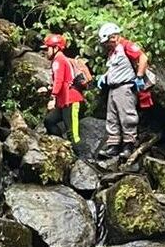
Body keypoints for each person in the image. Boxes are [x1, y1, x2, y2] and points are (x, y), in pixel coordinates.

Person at [95, 23, 150, 160]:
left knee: (127, 117)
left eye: (108, 41)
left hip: (125, 87)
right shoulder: (113, 52)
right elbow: (114, 69)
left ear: (113, 37)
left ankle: (128, 146)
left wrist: (139, 76)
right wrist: (105, 77)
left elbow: (143, 58)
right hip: (113, 89)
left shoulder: (127, 46)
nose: (107, 44)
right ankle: (113, 146)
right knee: (112, 118)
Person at [40, 34, 85, 148]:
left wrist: (52, 98)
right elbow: (61, 80)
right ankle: (62, 146)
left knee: (72, 133)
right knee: (49, 121)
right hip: (64, 101)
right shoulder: (59, 60)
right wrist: (48, 89)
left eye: (47, 49)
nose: (45, 52)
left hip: (71, 100)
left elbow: (59, 81)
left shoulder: (58, 60)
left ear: (56, 48)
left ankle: (83, 158)